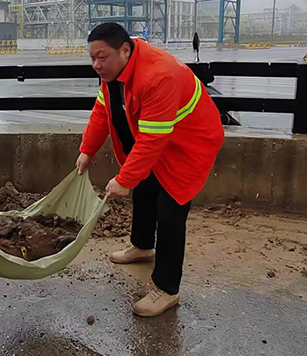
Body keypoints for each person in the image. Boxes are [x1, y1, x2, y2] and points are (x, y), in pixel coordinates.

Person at [76, 23, 224, 317]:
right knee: (144, 189)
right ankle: (142, 246)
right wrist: (87, 150)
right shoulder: (113, 72)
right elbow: (103, 110)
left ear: (125, 50)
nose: (96, 65)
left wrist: (124, 178)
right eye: (92, 57)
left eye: (102, 57)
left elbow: (153, 139)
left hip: (188, 144)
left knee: (171, 213)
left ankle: (167, 289)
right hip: (157, 139)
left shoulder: (158, 76)